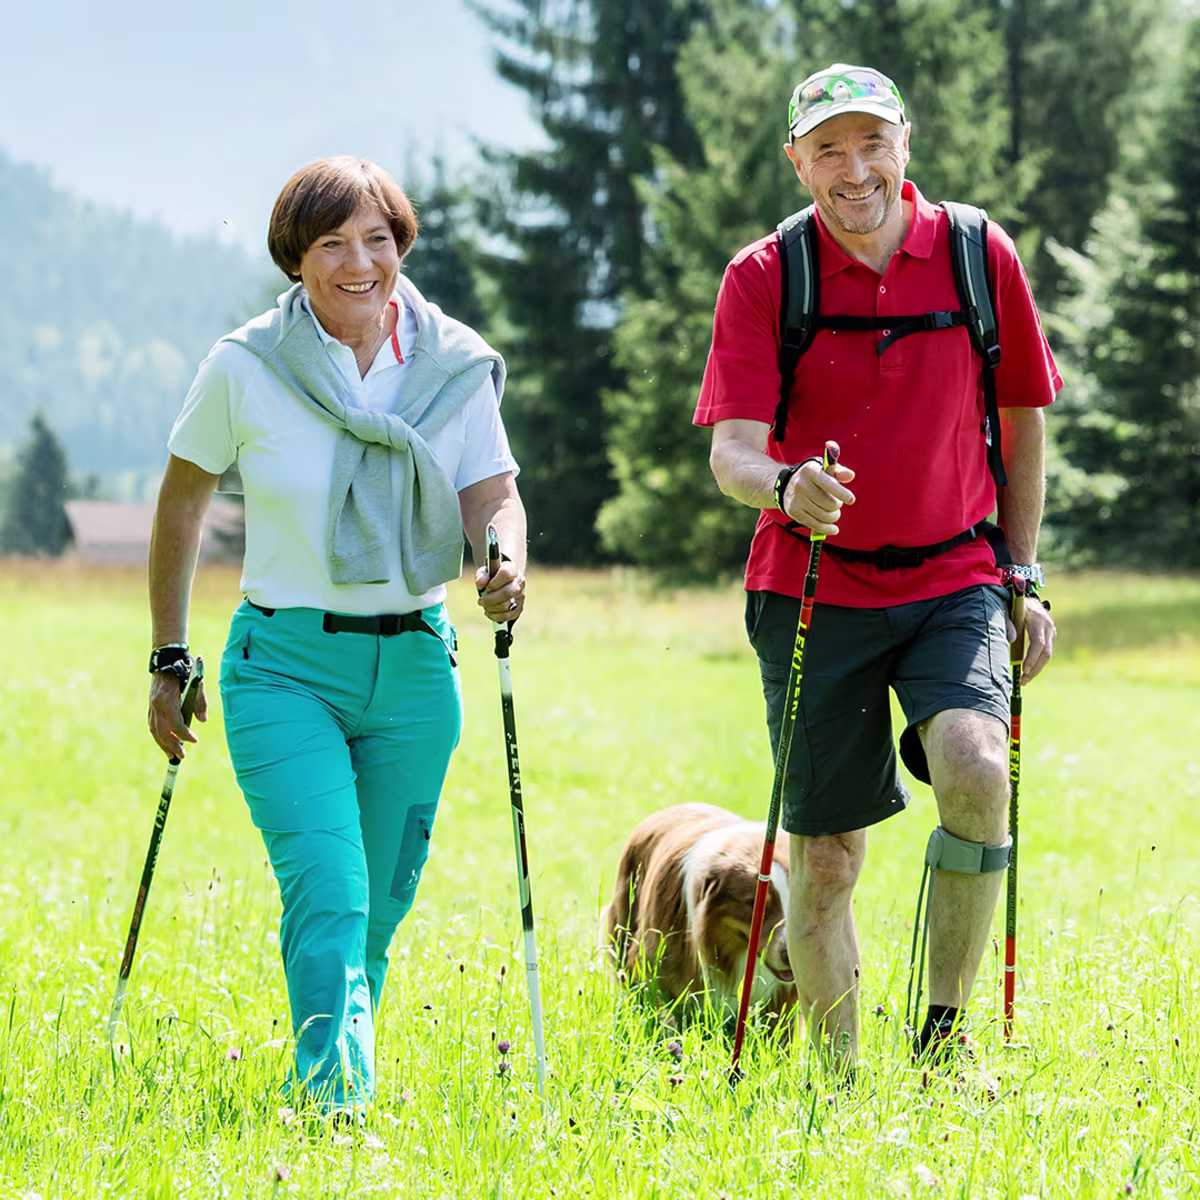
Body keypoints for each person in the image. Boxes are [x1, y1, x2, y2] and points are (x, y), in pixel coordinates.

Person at [694, 64, 1059, 1069]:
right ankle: (844, 1084)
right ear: (796, 160)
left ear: (904, 142)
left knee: (979, 771)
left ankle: (939, 1046)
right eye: (828, 149)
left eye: (870, 143)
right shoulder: (767, 276)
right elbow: (732, 451)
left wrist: (1021, 575)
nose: (853, 170)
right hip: (813, 590)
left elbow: (1023, 418)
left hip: (955, 577)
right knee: (824, 860)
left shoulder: (980, 256)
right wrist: (783, 485)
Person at [146, 155, 527, 1117]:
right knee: (331, 888)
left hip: (413, 669)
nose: (360, 262)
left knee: (382, 905)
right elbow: (183, 503)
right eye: (332, 244)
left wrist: (505, 558)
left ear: (400, 246)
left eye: (378, 240)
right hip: (283, 668)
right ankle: (332, 1113)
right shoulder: (245, 366)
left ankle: (336, 1076)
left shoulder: (452, 364)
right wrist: (168, 654)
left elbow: (494, 491)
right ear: (294, 258)